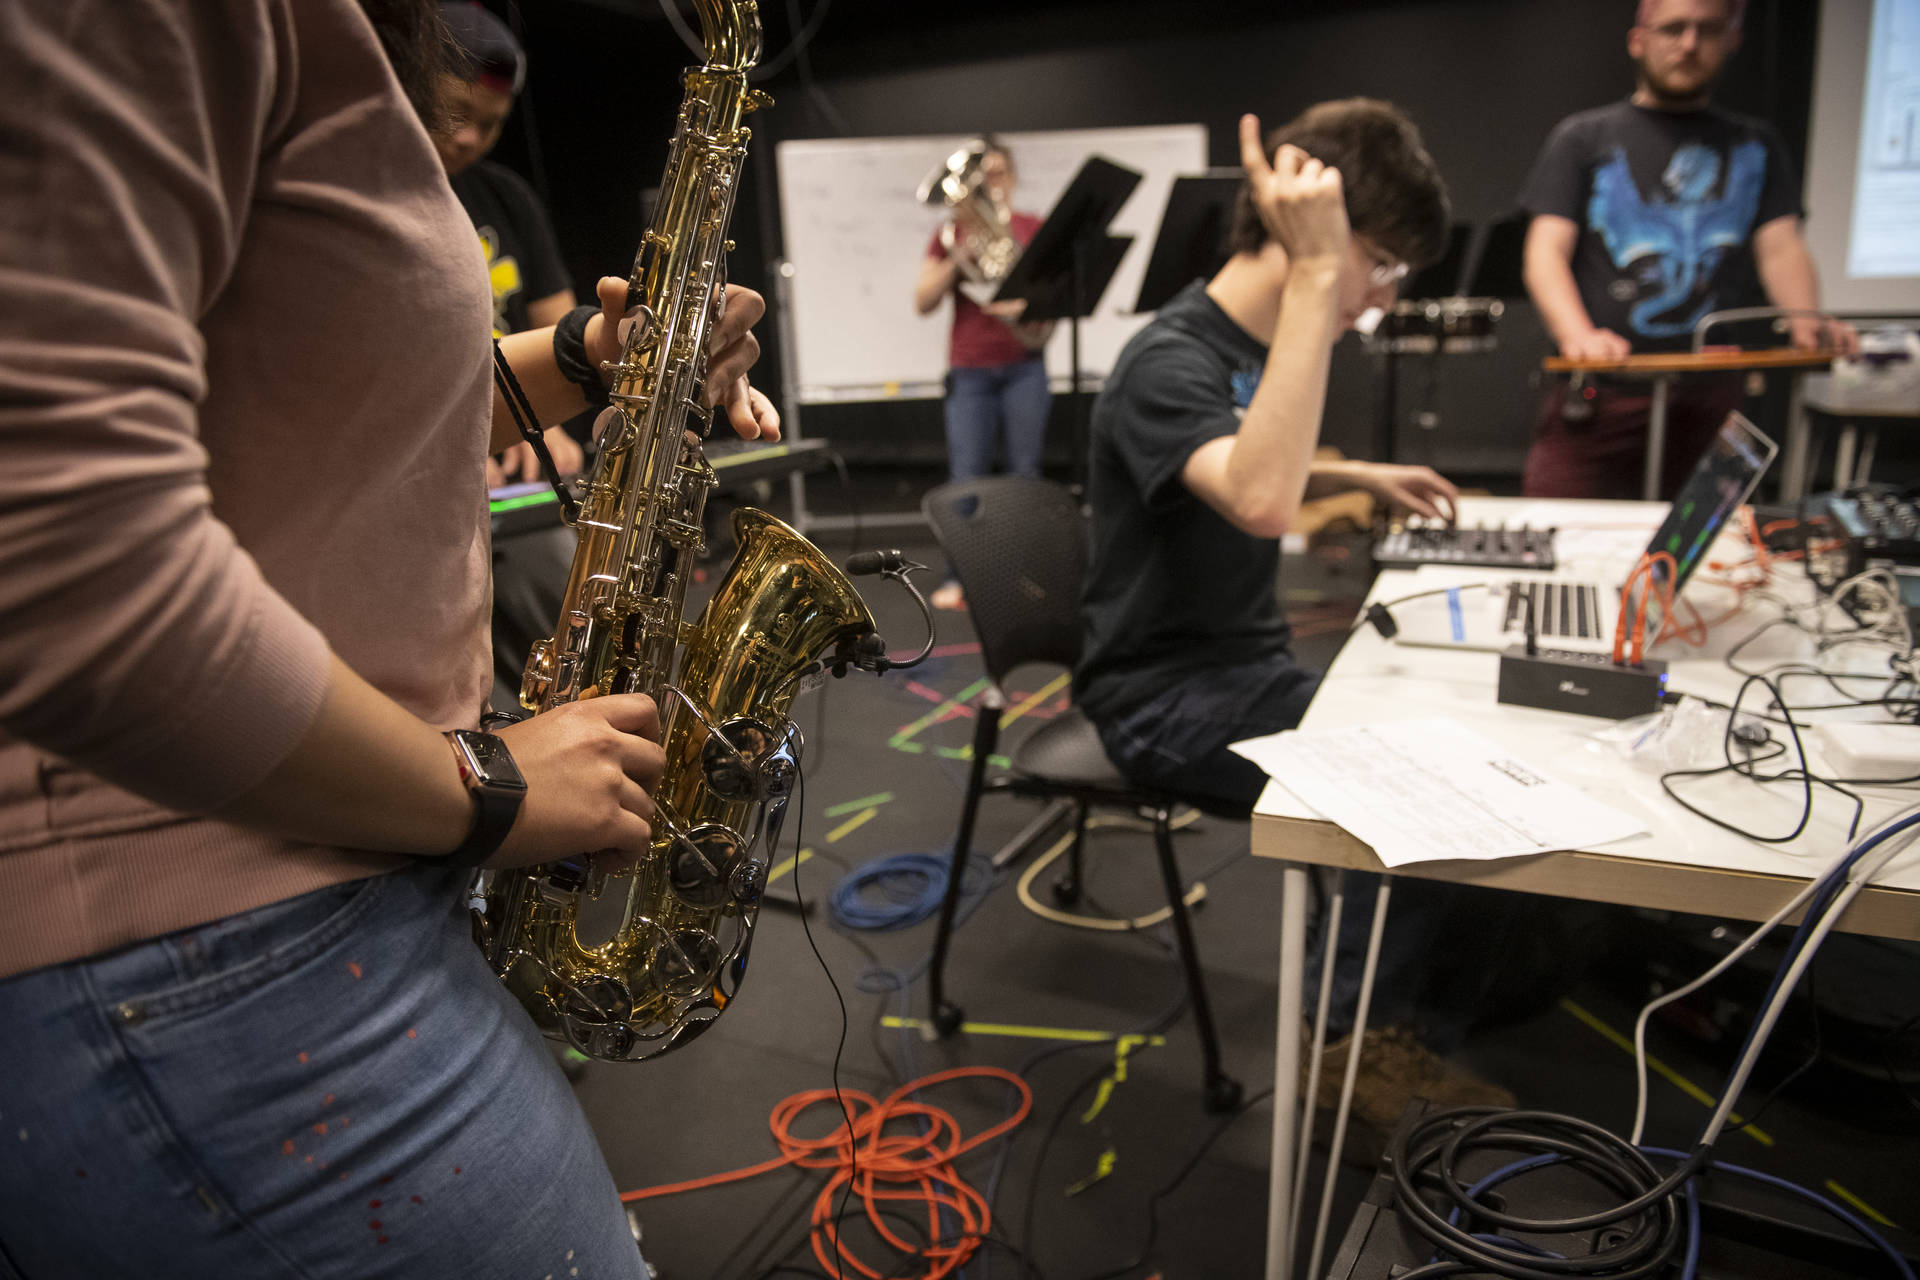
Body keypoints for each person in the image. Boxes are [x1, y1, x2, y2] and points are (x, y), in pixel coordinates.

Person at [0, 2, 777, 1276]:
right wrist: (485, 788)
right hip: (211, 948)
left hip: (284, 899)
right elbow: (57, 555)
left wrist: (597, 355)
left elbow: (332, 406)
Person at [1076, 99, 1519, 1137]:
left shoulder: (1233, 347)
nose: (1381, 295)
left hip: (1239, 666)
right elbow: (1262, 495)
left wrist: (1357, 468)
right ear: (1313, 236)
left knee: (1451, 730)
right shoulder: (1166, 359)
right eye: (1383, 264)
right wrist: (1322, 274)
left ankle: (1391, 1012)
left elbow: (1247, 444)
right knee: (1405, 778)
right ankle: (1345, 1051)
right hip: (1160, 697)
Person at [1518, 0, 1859, 499]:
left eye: (1707, 29)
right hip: (1600, 396)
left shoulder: (1754, 146)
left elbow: (1782, 248)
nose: (1689, 44)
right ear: (1640, 40)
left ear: (1733, 38)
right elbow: (1544, 252)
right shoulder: (1585, 138)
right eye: (1674, 29)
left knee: (1717, 553)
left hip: (1711, 399)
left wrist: (1806, 318)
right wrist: (1578, 335)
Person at [436, 0, 586, 488]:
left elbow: (559, 329)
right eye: (457, 113)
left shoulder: (508, 196)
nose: (471, 138)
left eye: (491, 123)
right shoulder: (375, 195)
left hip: (511, 440)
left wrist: (547, 428)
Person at [913, 138, 1055, 611]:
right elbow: (923, 301)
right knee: (966, 480)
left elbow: (1052, 301)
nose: (989, 183)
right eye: (981, 175)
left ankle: (1025, 575)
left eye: (998, 174)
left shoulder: (1034, 229)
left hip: (1025, 367)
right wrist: (959, 253)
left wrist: (1031, 305)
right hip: (970, 372)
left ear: (1012, 178)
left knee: (1024, 479)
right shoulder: (951, 232)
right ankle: (963, 580)